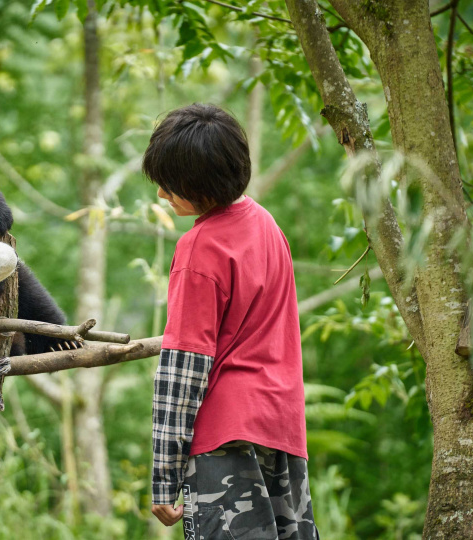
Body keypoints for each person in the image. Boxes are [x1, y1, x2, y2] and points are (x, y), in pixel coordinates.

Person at [144, 103, 319, 540]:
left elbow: (183, 367)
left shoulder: (199, 248)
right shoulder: (265, 223)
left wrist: (164, 477)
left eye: (170, 186)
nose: (162, 195)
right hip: (281, 428)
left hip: (224, 438)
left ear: (199, 187)